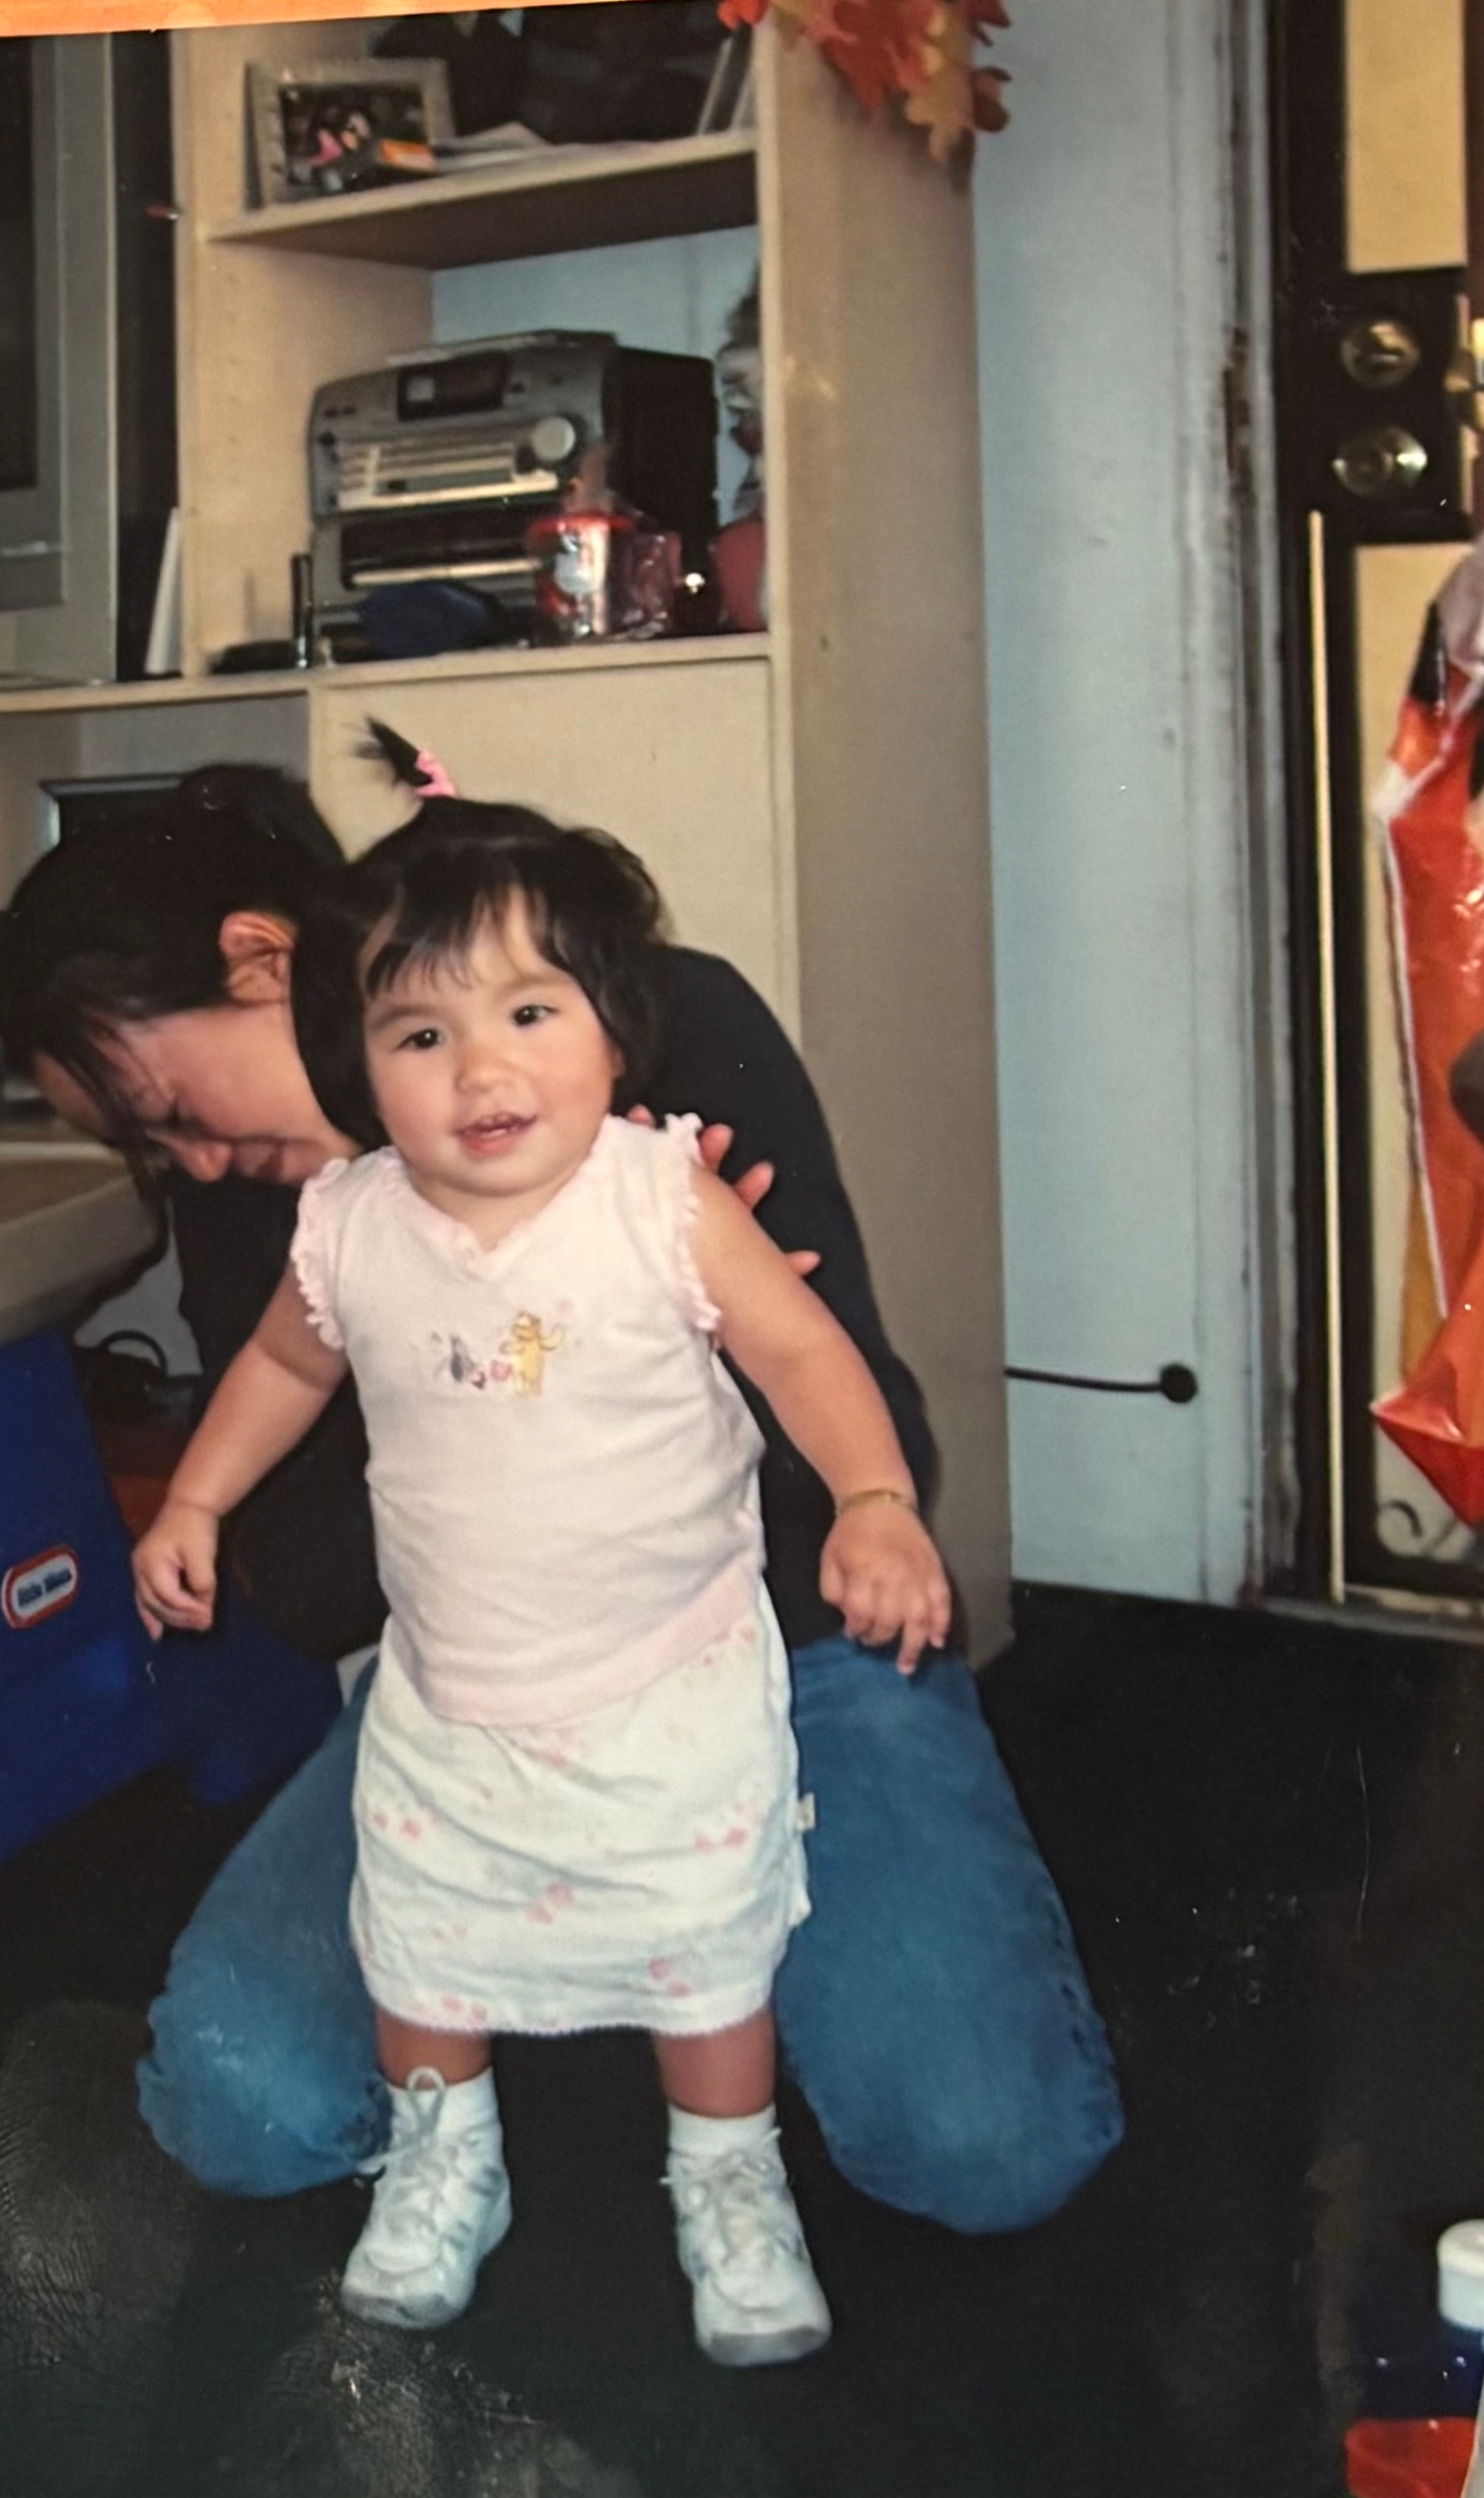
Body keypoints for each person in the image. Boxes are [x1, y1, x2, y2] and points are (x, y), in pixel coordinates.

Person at [0, 753, 1122, 2242]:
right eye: (153, 1152)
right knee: (241, 2101)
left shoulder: (656, 1036)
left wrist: (681, 1345)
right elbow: (319, 1588)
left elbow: (859, 1439)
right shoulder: (289, 1212)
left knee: (983, 2141)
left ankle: (669, 1969)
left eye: (171, 1105)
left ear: (263, 962)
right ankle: (573, 1980)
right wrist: (419, 1360)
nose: (193, 1162)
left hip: (765, 1655)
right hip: (476, 1697)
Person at [131, 775, 954, 2361]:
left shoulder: (661, 1196)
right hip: (449, 1701)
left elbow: (802, 1349)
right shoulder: (351, 1222)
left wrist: (872, 1498)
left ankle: (727, 2177)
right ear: (360, 1071)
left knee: (703, 1942)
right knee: (425, 1940)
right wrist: (193, 1503)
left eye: (528, 1009)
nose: (481, 1069)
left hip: (669, 1684)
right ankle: (450, 2164)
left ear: (613, 1032)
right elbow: (280, 1373)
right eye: (421, 1035)